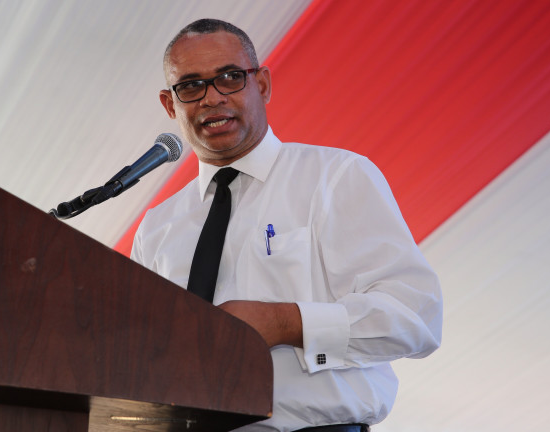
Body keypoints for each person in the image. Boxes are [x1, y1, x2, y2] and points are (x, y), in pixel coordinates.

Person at [131, 18, 442, 432]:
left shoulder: (335, 176)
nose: (212, 98)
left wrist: (286, 323)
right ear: (171, 105)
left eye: (230, 77)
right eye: (190, 86)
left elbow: (416, 316)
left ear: (262, 85)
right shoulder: (156, 228)